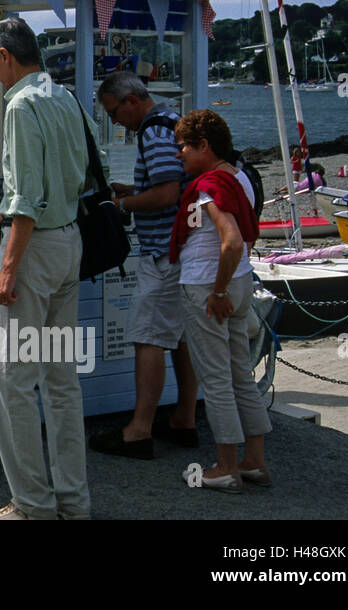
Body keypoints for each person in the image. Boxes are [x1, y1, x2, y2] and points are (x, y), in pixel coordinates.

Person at [0, 17, 92, 520]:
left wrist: (8, 270)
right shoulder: (63, 95)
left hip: (36, 247)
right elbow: (88, 169)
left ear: (6, 57)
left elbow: (23, 199)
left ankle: (32, 505)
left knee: (11, 381)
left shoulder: (21, 104)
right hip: (69, 242)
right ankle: (73, 501)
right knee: (61, 379)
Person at [89, 72, 198, 459]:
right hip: (185, 249)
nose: (114, 121)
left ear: (131, 100)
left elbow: (168, 193)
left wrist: (124, 205)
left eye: (113, 112)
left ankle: (139, 431)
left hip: (163, 251)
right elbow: (175, 185)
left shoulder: (152, 132)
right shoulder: (173, 121)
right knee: (181, 337)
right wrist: (135, 190)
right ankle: (184, 419)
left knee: (148, 335)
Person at [170, 110, 271, 492]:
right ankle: (255, 461)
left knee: (214, 379)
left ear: (203, 146)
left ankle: (226, 466)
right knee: (240, 374)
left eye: (184, 146)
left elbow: (229, 239)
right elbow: (247, 236)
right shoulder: (239, 176)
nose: (179, 153)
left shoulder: (209, 185)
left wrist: (218, 291)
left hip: (208, 285)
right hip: (241, 279)